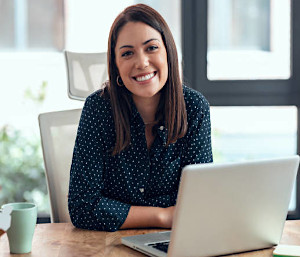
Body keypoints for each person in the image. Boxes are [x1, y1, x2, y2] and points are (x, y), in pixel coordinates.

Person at [68, 4, 213, 232]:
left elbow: (198, 202)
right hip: (106, 244)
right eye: (127, 53)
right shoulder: (98, 109)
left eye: (151, 48)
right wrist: (163, 216)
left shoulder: (194, 108)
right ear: (116, 65)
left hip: (177, 243)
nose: (142, 62)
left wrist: (116, 211)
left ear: (168, 53)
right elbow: (83, 207)